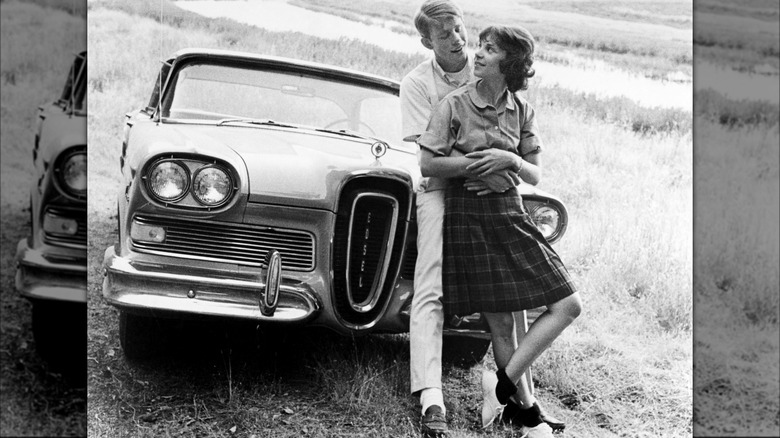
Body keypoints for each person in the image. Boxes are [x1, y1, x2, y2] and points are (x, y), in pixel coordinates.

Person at [400, 2, 563, 437]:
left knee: (514, 308)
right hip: (446, 194)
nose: (458, 41)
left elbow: (529, 165)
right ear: (427, 42)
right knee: (431, 288)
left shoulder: (509, 97)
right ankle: (432, 395)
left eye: (460, 30)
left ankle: (517, 397)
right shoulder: (421, 85)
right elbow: (429, 159)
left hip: (499, 199)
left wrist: (505, 167)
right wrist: (488, 169)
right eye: (445, 35)